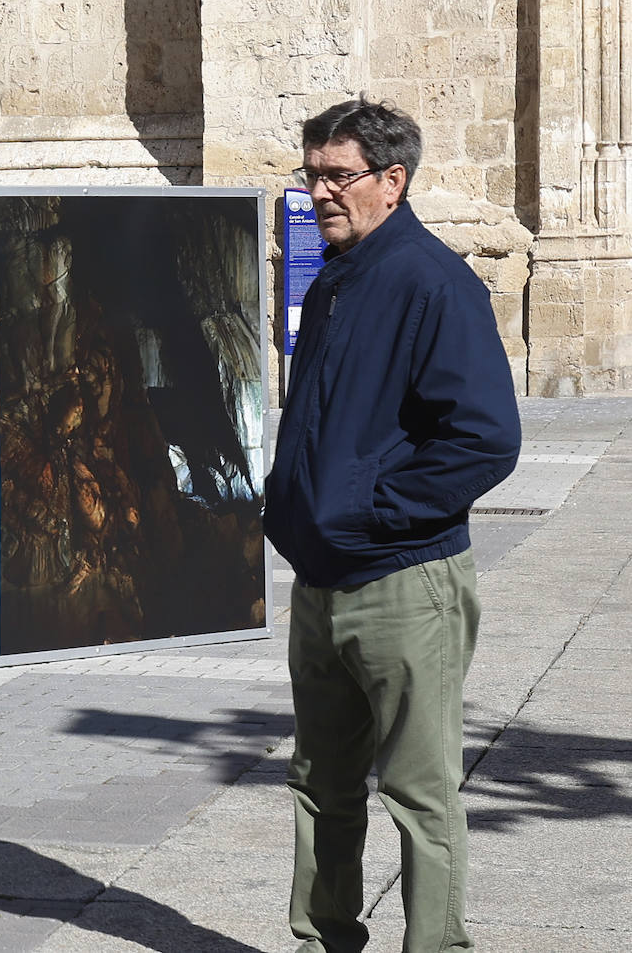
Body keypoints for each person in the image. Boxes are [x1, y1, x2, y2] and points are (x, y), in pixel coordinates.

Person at [264, 99, 521, 953]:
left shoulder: (431, 281)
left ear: (394, 180)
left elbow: (485, 438)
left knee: (420, 793)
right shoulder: (338, 275)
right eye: (312, 175)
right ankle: (321, 938)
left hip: (405, 583)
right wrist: (290, 504)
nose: (321, 192)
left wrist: (372, 511)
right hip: (322, 580)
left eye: (340, 175)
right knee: (319, 784)